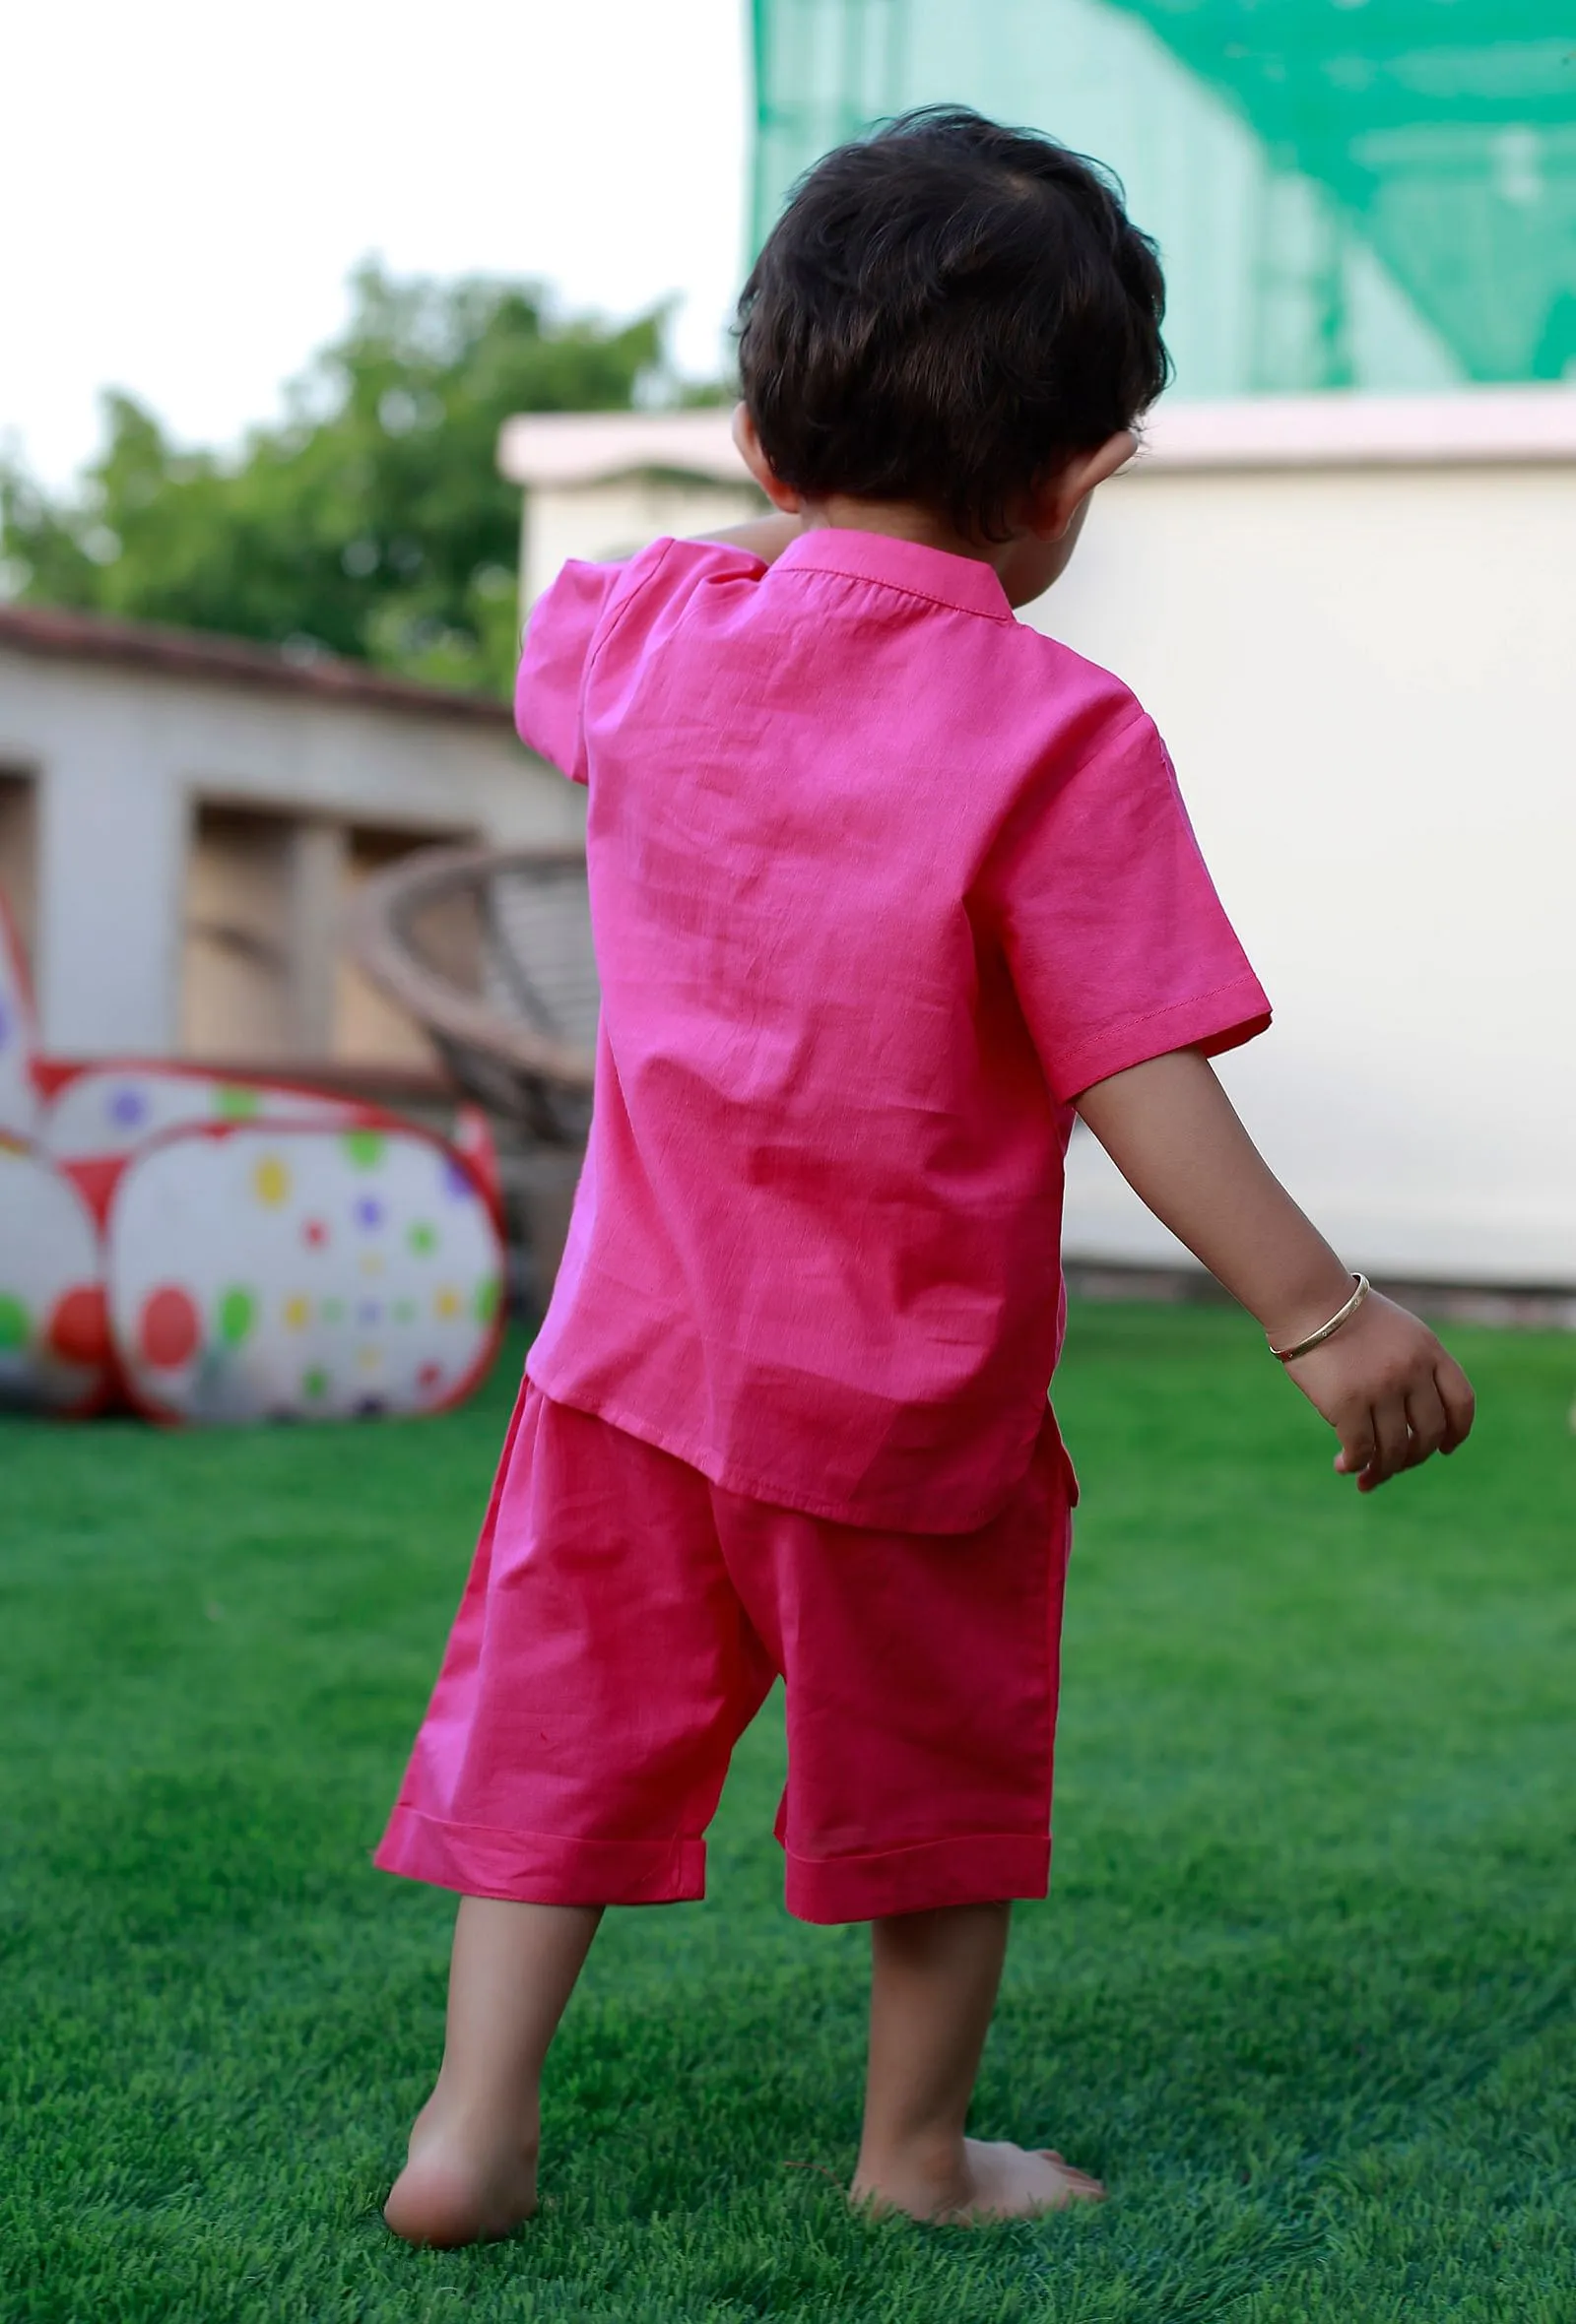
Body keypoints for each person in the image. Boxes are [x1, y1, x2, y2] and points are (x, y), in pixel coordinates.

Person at [375, 106, 1476, 2243]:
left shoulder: (645, 636)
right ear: (1078, 479)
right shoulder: (1057, 736)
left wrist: (771, 517)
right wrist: (1319, 1315)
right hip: (900, 1406)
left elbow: (565, 633)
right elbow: (1135, 1069)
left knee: (557, 1736)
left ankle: (470, 2129)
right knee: (936, 1780)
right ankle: (910, 2157)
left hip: (622, 1368)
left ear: (765, 440)